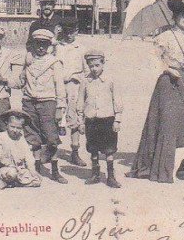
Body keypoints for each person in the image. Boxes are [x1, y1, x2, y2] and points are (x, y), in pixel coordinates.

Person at [129, 0, 184, 184]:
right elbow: (153, 60)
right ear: (175, 16)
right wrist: (167, 68)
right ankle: (162, 168)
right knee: (168, 122)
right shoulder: (165, 36)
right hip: (168, 82)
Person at [19, 28, 68, 183]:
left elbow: (60, 86)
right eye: (38, 44)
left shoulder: (54, 62)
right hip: (29, 102)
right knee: (33, 137)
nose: (41, 47)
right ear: (33, 44)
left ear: (49, 46)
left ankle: (54, 171)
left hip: (48, 102)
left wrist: (60, 108)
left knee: (52, 137)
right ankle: (37, 169)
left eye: (44, 44)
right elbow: (20, 81)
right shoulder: (28, 60)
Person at [77, 50, 123, 188]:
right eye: (91, 66)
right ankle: (95, 174)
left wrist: (117, 119)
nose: (94, 69)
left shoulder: (110, 80)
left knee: (109, 149)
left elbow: (117, 100)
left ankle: (111, 176)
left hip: (107, 119)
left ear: (103, 63)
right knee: (93, 148)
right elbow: (80, 101)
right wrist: (80, 121)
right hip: (91, 119)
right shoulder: (85, 81)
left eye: (97, 65)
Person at [55, 18, 87, 166]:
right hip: (59, 86)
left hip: (74, 86)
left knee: (74, 117)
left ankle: (75, 152)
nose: (69, 36)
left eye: (72, 32)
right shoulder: (57, 47)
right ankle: (52, 151)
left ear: (77, 32)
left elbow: (86, 71)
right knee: (57, 115)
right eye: (66, 32)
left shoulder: (80, 48)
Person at [0, 109, 42, 190]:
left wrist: (32, 170)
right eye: (12, 127)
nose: (15, 130)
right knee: (11, 173)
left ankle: (12, 183)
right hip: (5, 167)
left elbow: (28, 155)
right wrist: (8, 163)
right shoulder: (0, 136)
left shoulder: (21, 138)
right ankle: (7, 181)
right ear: (7, 124)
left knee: (37, 180)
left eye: (18, 128)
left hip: (19, 168)